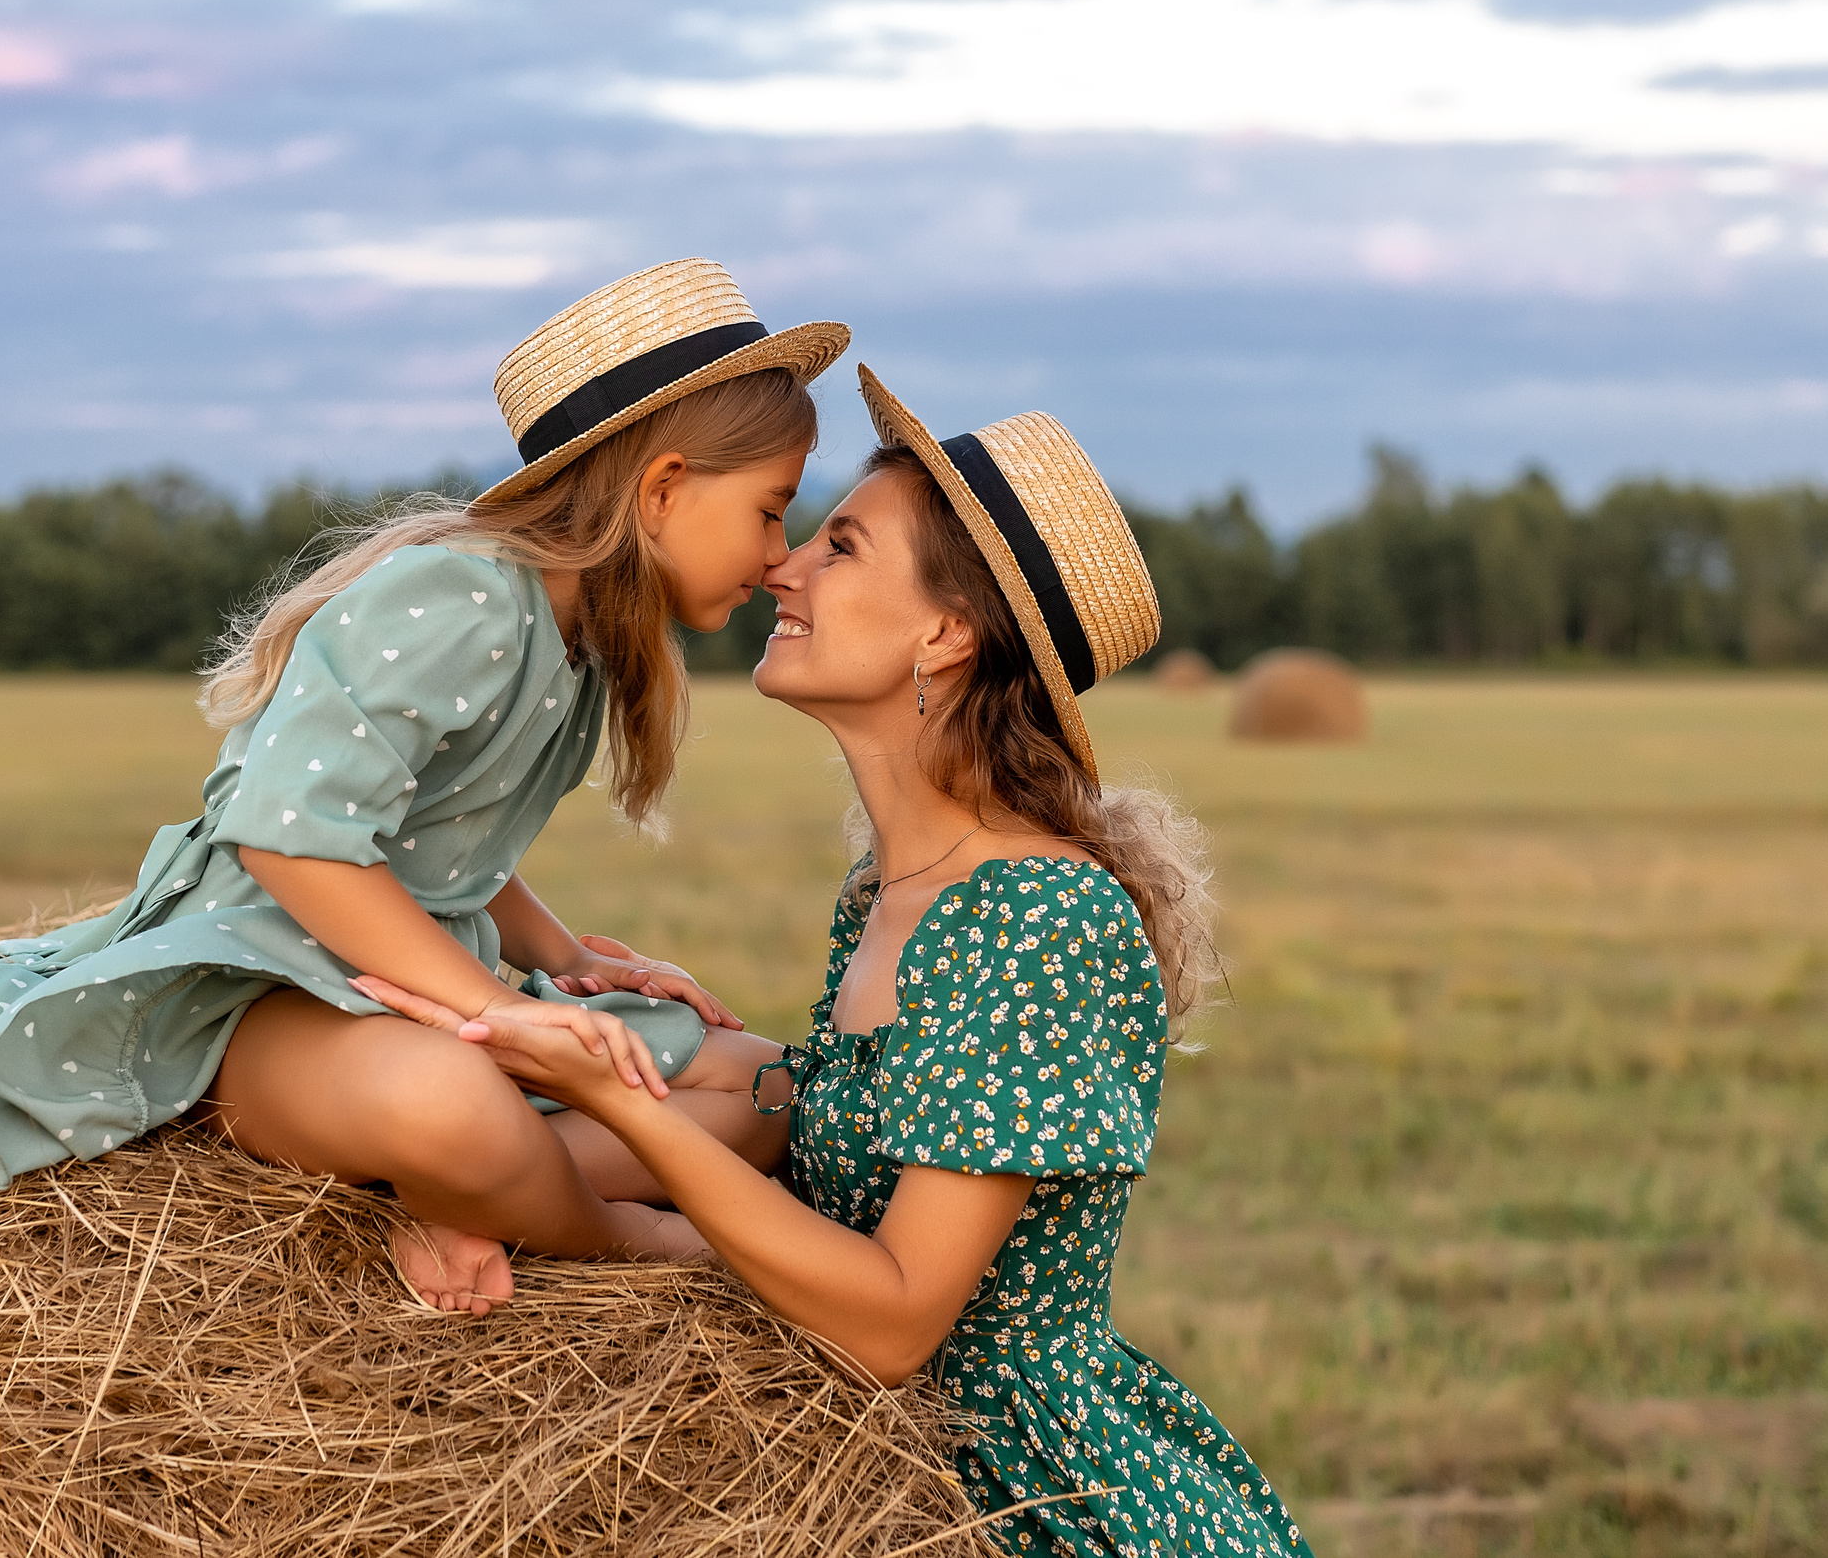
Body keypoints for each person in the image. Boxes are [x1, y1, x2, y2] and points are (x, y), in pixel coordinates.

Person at [0, 259, 848, 1315]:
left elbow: (444, 844)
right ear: (662, 490)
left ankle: (467, 1192)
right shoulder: (466, 596)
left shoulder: (579, 646)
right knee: (450, 1106)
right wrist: (494, 1011)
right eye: (771, 509)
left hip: (404, 995)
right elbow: (289, 840)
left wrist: (565, 962)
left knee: (766, 1089)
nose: (777, 553)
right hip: (263, 995)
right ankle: (623, 1234)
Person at [361, 367, 1312, 1557]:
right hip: (887, 1454)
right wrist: (569, 1108)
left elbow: (895, 1324)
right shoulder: (891, 893)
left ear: (946, 633)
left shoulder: (1041, 917)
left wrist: (616, 1102)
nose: (782, 566)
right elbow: (814, 1160)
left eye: (841, 547)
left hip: (1016, 1491)